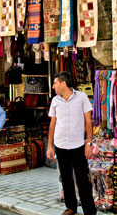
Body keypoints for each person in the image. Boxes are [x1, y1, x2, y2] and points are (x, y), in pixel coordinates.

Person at [47, 71, 96, 215]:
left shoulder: (81, 97)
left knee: (83, 179)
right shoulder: (55, 101)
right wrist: (50, 146)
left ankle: (90, 210)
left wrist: (89, 143)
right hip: (60, 145)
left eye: (55, 83)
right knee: (66, 178)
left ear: (63, 83)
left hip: (78, 145)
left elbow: (88, 121)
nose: (53, 86)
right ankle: (71, 207)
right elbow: (52, 124)